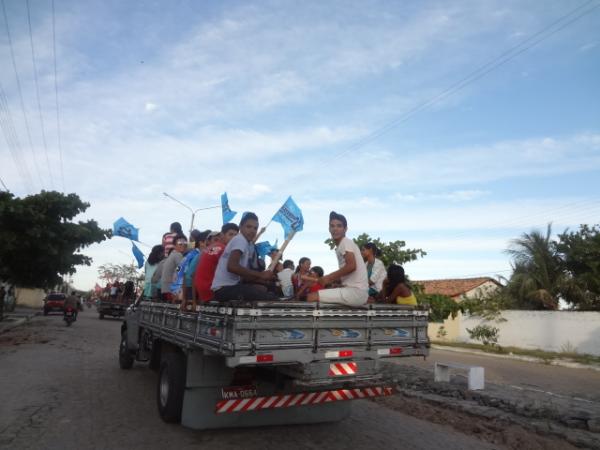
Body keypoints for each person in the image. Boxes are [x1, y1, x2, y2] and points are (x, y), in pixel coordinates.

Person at [211, 213, 278, 302]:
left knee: (267, 287)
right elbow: (232, 267)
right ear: (241, 227)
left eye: (255, 228)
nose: (252, 231)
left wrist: (262, 279)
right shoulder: (240, 240)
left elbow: (243, 276)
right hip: (224, 289)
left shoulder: (245, 243)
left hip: (229, 287)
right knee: (267, 296)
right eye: (248, 227)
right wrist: (261, 275)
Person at [306, 211, 368, 306]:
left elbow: (352, 266)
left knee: (311, 297)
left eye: (339, 226)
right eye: (332, 226)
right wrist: (335, 282)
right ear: (329, 229)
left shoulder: (345, 242)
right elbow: (350, 272)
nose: (335, 229)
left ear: (345, 229)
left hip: (356, 292)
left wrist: (328, 278)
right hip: (356, 292)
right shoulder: (342, 245)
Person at [194, 223, 239, 303]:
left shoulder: (210, 248)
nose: (233, 238)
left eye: (236, 236)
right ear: (222, 235)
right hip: (212, 291)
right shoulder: (224, 249)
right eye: (230, 234)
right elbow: (233, 270)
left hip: (202, 291)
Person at [161, 234, 187, 302]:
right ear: (175, 245)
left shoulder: (172, 255)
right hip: (172, 290)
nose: (183, 245)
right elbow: (179, 272)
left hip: (166, 288)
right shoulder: (178, 255)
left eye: (184, 243)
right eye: (180, 244)